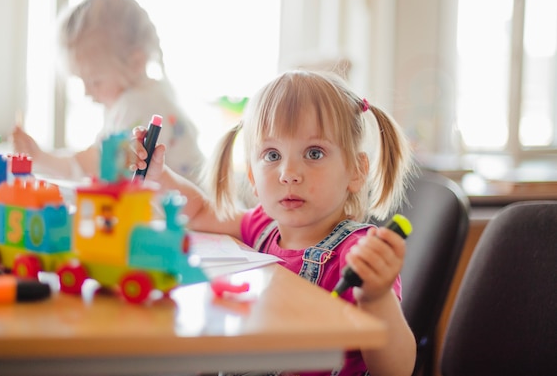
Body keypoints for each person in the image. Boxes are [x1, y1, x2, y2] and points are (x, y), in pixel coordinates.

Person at [132, 70, 417, 376]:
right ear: (253, 179)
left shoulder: (357, 253)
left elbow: (396, 370)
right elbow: (201, 213)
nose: (289, 173)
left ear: (356, 171)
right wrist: (158, 176)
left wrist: (376, 297)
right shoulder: (264, 225)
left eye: (314, 153)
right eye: (272, 155)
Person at [12, 0, 204, 183]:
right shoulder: (144, 95)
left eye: (95, 81)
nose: (87, 92)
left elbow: (101, 162)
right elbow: (95, 159)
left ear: (136, 63)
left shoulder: (137, 104)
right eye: (82, 81)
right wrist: (42, 158)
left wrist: (44, 158)